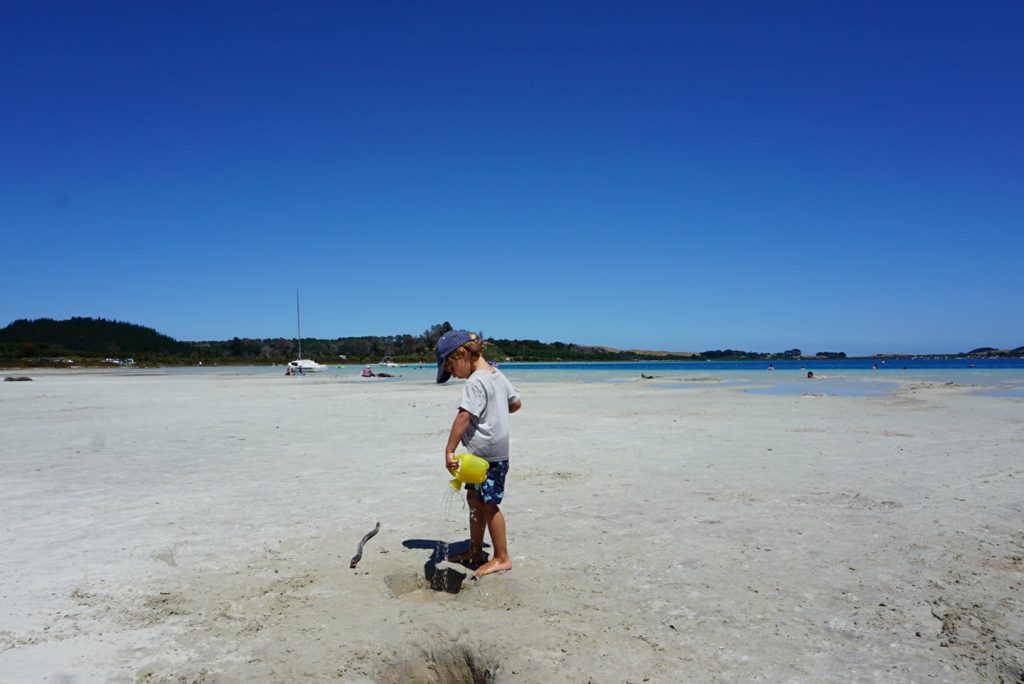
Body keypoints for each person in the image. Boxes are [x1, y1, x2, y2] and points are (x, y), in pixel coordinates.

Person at [435, 329, 522, 577]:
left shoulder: (474, 381)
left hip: (486, 458)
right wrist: (496, 414)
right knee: (475, 501)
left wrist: (449, 450)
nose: (454, 375)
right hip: (490, 455)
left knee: (489, 505)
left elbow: (464, 416)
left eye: (451, 368)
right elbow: (516, 403)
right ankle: (474, 550)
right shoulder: (496, 374)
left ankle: (502, 557)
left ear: (462, 353)